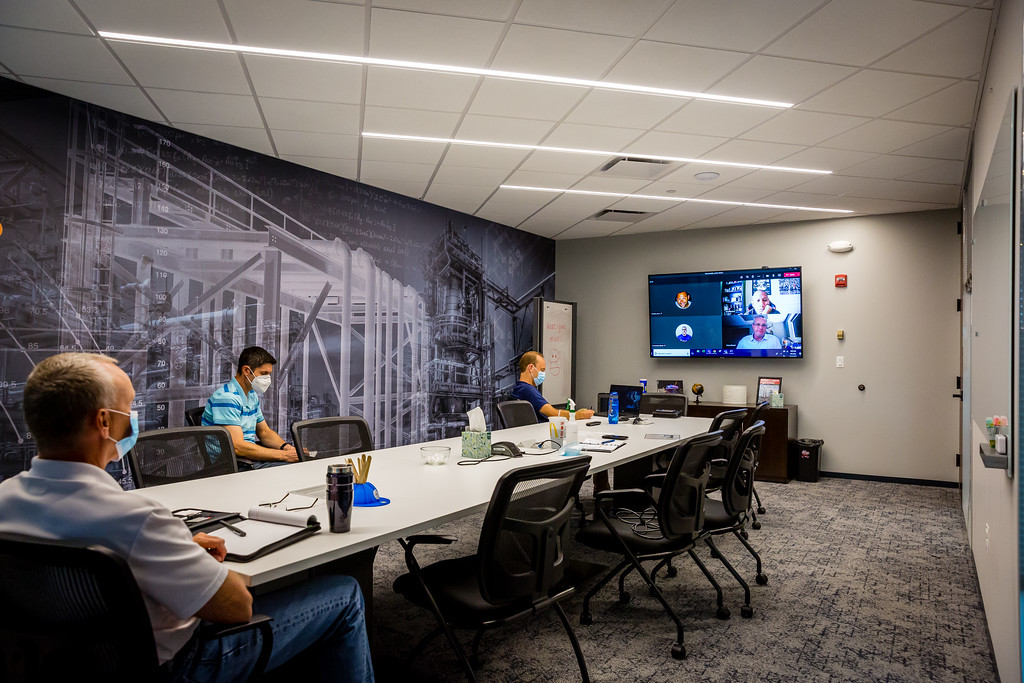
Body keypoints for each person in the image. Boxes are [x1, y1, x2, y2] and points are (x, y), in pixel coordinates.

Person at [0, 353, 374, 682]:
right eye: (128, 408)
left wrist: (176, 547)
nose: (132, 418)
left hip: (70, 663)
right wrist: (189, 555)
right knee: (343, 592)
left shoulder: (5, 501)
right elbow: (236, 607)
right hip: (179, 665)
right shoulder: (137, 518)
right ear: (103, 422)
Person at [203, 346, 298, 470]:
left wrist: (287, 448)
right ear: (246, 370)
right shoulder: (227, 397)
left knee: (300, 462)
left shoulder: (251, 395)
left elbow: (264, 432)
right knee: (291, 470)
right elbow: (237, 447)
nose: (267, 379)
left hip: (248, 458)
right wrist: (284, 456)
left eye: (269, 374)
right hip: (232, 463)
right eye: (263, 374)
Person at [510, 351, 594, 423]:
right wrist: (577, 415)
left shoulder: (520, 388)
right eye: (542, 370)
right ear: (531, 368)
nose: (543, 374)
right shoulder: (527, 389)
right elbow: (552, 413)